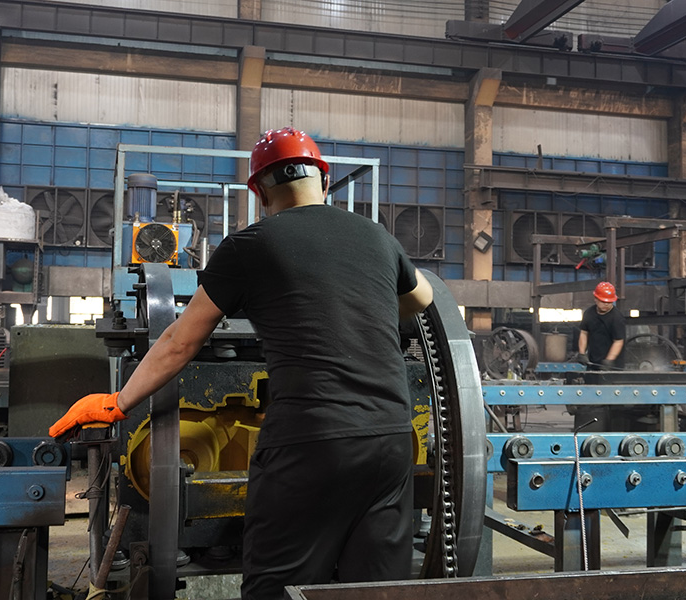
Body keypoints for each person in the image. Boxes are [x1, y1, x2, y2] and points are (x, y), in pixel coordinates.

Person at [49, 126, 434, 599]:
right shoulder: (377, 236)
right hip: (391, 442)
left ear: (259, 192)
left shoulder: (250, 245)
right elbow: (422, 298)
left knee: (279, 588)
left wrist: (119, 401)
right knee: (376, 591)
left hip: (309, 444)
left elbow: (179, 342)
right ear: (324, 180)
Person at [576, 281, 625, 371]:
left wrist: (609, 360)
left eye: (609, 302)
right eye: (603, 301)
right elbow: (584, 333)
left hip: (613, 367)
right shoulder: (589, 313)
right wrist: (582, 353)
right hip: (593, 363)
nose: (606, 304)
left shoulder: (617, 318)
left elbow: (618, 341)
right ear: (595, 298)